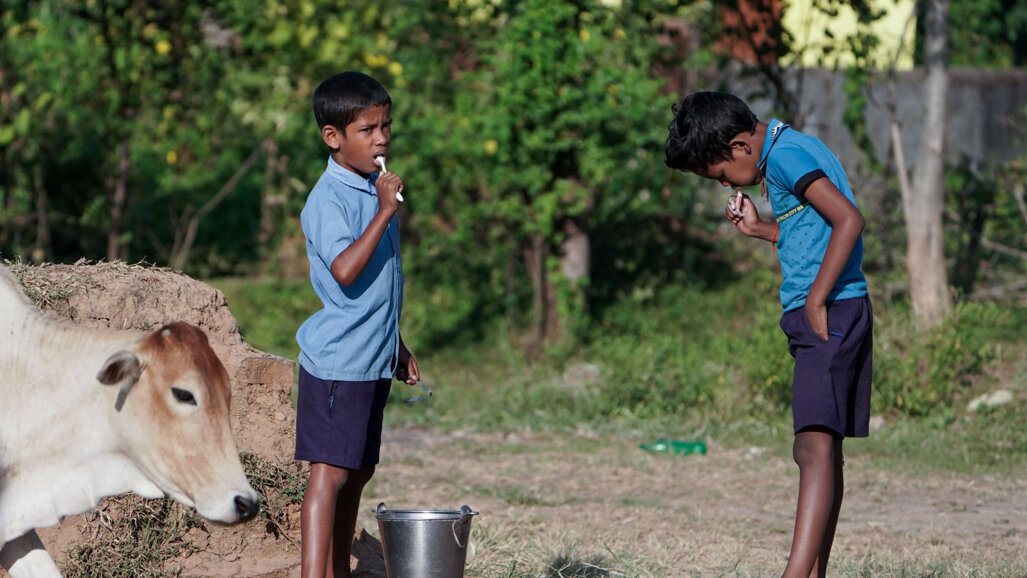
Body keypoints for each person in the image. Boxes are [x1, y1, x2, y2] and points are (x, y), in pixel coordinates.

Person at [665, 91, 873, 578]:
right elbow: (815, 235)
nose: (724, 185)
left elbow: (849, 220)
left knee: (813, 446)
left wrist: (818, 298)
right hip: (831, 309)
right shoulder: (792, 147)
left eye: (719, 176)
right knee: (823, 447)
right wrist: (762, 231)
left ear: (740, 147)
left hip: (829, 311)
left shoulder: (784, 159)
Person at [295, 71, 420, 578]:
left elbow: (378, 290)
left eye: (385, 126)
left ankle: (337, 570)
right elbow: (345, 271)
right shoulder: (330, 198)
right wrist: (385, 213)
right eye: (368, 129)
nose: (382, 138)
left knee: (360, 470)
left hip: (371, 358)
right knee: (329, 473)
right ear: (333, 137)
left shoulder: (372, 190)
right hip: (338, 362)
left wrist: (397, 346)